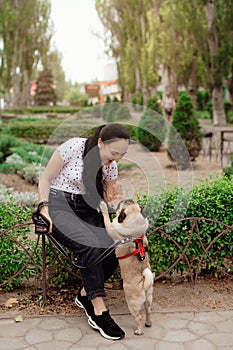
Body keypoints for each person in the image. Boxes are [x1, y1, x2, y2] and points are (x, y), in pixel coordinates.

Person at [38, 123, 130, 340]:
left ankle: (85, 294)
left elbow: (108, 200)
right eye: (114, 153)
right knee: (90, 244)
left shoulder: (110, 166)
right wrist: (44, 208)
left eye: (123, 154)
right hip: (60, 206)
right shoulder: (73, 148)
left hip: (89, 208)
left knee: (116, 244)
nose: (116, 159)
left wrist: (117, 201)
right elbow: (45, 179)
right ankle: (98, 308)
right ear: (100, 143)